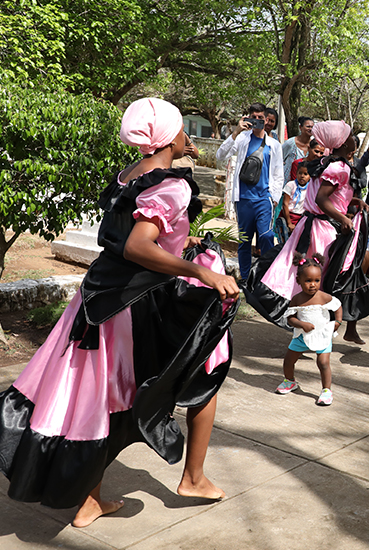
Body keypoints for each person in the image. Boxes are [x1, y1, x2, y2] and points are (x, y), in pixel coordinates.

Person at [0, 98, 240, 526]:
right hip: (136, 303)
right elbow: (137, 246)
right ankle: (194, 477)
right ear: (169, 136)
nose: (189, 136)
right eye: (183, 129)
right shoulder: (174, 186)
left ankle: (90, 499)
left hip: (99, 298)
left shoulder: (132, 174)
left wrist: (181, 244)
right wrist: (201, 274)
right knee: (207, 366)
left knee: (97, 397)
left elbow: (136, 235)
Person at [243, 120, 369, 345]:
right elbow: (321, 199)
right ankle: (309, 328)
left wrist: (352, 201)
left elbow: (333, 196)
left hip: (314, 226)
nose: (355, 139)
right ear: (344, 144)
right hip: (321, 231)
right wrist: (343, 217)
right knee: (319, 278)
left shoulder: (327, 162)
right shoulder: (336, 168)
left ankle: (322, 325)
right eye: (351, 136)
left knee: (313, 275)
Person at [215, 102, 284, 279]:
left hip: (264, 200)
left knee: (267, 237)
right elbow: (220, 156)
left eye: (261, 118)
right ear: (248, 117)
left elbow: (278, 174)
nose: (257, 121)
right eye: (254, 117)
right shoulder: (241, 139)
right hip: (243, 199)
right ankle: (245, 278)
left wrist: (274, 198)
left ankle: (266, 277)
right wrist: (236, 131)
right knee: (244, 241)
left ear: (266, 119)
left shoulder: (274, 145)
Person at [274, 253, 342, 405]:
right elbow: (290, 318)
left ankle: (326, 390)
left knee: (323, 363)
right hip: (301, 336)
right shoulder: (297, 299)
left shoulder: (323, 297)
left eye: (317, 280)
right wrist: (301, 324)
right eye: (308, 281)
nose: (313, 284)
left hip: (322, 334)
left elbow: (337, 305)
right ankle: (290, 381)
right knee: (289, 360)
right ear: (299, 281)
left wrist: (338, 321)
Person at [273, 163, 311, 243]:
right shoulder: (291, 185)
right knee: (284, 241)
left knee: (296, 242)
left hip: (300, 218)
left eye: (305, 174)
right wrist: (289, 222)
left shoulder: (310, 188)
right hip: (287, 215)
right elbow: (285, 204)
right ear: (296, 173)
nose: (302, 176)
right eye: (300, 173)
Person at [281, 116, 315, 184]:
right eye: (308, 126)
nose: (310, 129)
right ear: (300, 127)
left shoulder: (314, 146)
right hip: (288, 185)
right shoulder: (290, 143)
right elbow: (279, 159)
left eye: (312, 127)